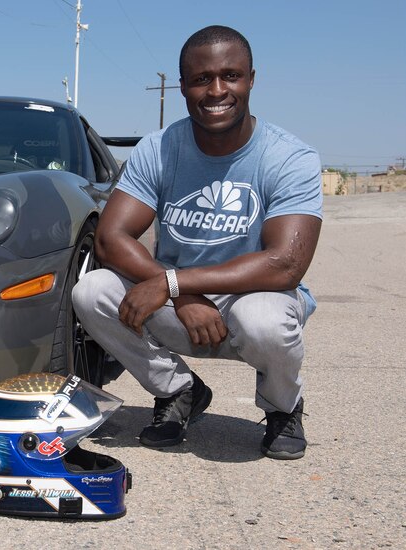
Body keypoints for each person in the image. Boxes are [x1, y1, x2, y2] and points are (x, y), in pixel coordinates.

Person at [72, 25, 322, 460]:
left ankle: (283, 408)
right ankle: (179, 391)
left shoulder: (289, 157)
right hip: (180, 302)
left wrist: (174, 283)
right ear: (184, 84)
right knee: (91, 291)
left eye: (231, 76)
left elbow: (286, 264)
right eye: (202, 79)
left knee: (263, 319)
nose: (217, 90)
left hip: (255, 298)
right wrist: (181, 291)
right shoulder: (159, 149)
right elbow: (111, 239)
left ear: (251, 79)